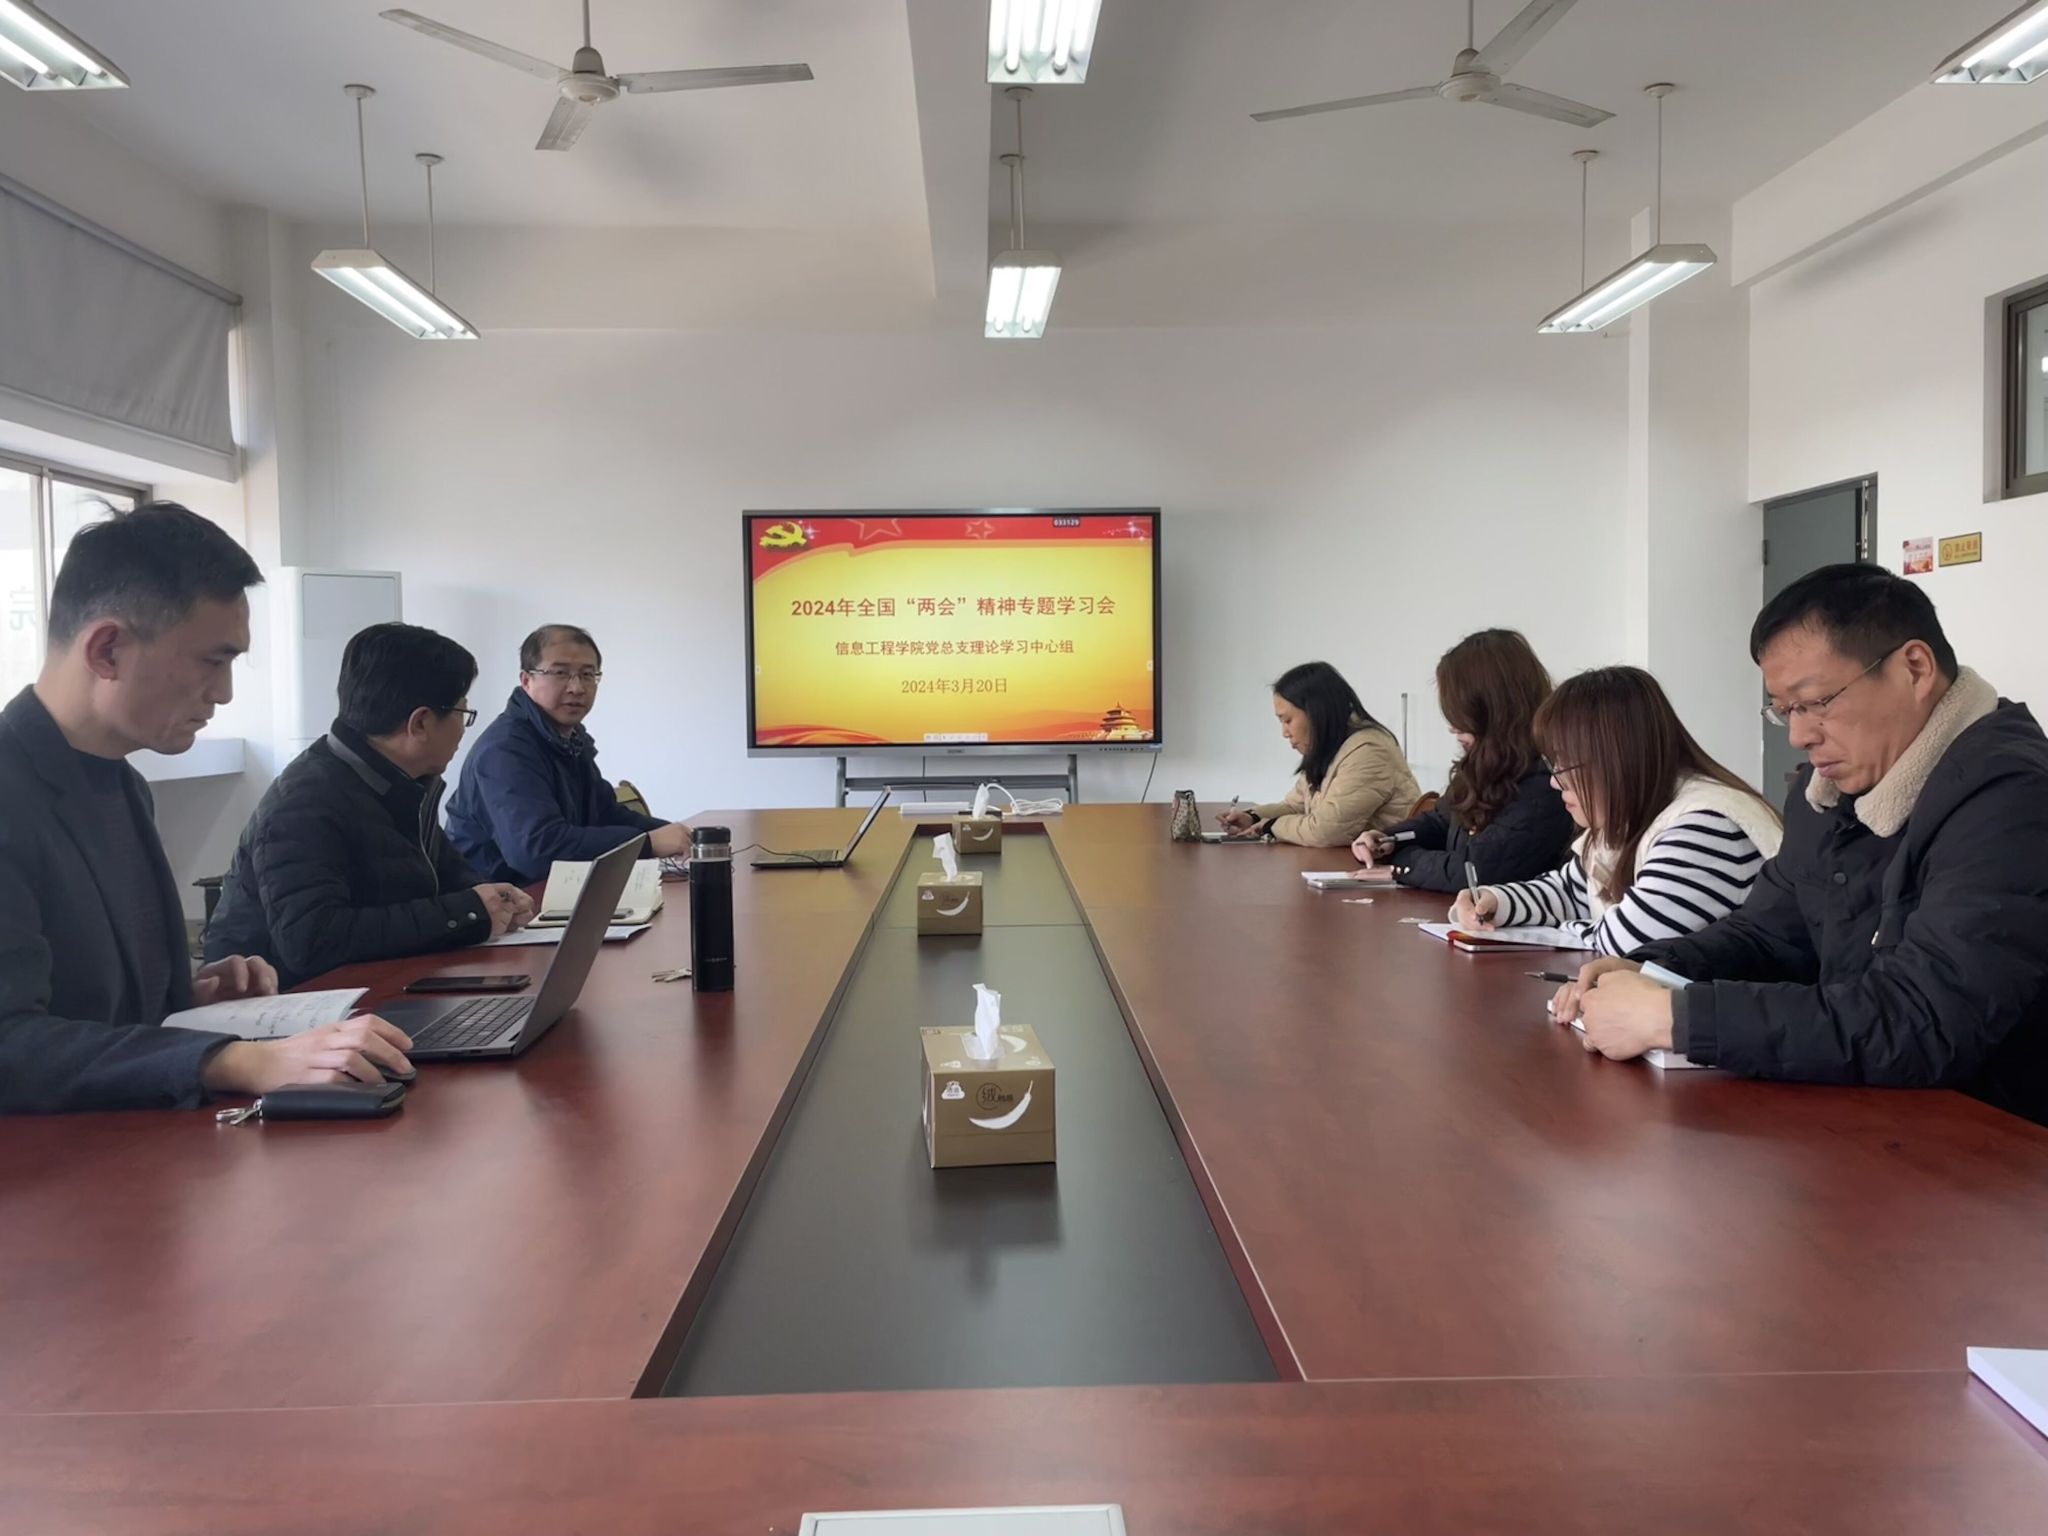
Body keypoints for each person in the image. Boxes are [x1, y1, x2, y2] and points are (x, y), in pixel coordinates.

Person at [1569, 565, 2048, 1126]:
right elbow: (1769, 934)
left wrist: (1678, 1018)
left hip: (1991, 1141)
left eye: (1816, 701)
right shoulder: (1827, 792)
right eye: (1784, 710)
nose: (1799, 735)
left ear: (1914, 669)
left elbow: (1924, 1019)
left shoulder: (2011, 796)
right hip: (1864, 1113)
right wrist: (1652, 969)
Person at [0, 504, 413, 1115]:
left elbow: (85, 1011)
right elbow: (11, 1044)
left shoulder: (123, 783)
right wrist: (235, 1058)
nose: (223, 693)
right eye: (212, 661)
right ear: (108, 650)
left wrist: (186, 1001)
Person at [204, 623, 537, 990]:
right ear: (420, 723)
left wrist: (498, 900)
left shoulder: (404, 782)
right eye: (463, 712)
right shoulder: (304, 802)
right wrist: (468, 912)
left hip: (381, 982)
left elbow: (448, 875)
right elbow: (313, 941)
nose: (463, 727)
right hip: (291, 1005)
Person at [1454, 666, 1782, 957]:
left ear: (1614, 760)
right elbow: (1571, 892)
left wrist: (1564, 929)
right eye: (1554, 763)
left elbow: (1627, 944)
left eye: (1566, 763)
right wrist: (1496, 901)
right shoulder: (1633, 814)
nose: (1555, 781)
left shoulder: (1706, 827)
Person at [446, 624, 691, 886]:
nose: (577, 687)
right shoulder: (505, 749)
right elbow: (538, 850)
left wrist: (683, 837)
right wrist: (647, 843)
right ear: (526, 680)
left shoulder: (569, 739)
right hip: (504, 900)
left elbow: (605, 814)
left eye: (587, 674)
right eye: (560, 673)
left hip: (553, 892)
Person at [1353, 629, 1575, 891]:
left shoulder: (1546, 781)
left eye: (1459, 714)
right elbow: (1442, 820)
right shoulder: (1486, 761)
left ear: (1494, 710)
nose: (1452, 727)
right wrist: (1389, 840)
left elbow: (1473, 871)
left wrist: (1402, 864)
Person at [1216, 661, 1419, 848]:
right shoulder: (1328, 747)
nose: (1284, 733)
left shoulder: (1369, 751)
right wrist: (1253, 817)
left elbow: (1327, 831)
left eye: (1287, 720)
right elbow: (1295, 806)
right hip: (1349, 860)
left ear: (1316, 713)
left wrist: (1270, 826)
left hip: (1391, 863)